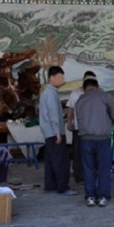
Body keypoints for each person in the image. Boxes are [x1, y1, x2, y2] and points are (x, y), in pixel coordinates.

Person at [75, 78, 114, 207]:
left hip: (85, 139)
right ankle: (102, 197)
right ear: (97, 87)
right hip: (103, 139)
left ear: (84, 89)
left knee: (88, 168)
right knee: (104, 168)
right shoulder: (105, 96)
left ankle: (90, 197)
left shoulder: (80, 100)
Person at [39, 66, 77, 196]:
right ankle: (63, 187)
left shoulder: (48, 92)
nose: (63, 80)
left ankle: (50, 185)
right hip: (55, 132)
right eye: (61, 77)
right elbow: (53, 115)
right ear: (52, 77)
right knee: (61, 161)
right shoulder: (50, 93)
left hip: (49, 132)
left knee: (50, 160)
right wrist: (57, 132)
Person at [66, 70, 97, 184]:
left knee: (92, 153)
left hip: (94, 130)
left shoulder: (99, 92)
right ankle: (79, 177)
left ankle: (93, 175)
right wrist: (70, 122)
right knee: (78, 153)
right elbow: (70, 109)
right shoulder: (75, 93)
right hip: (79, 128)